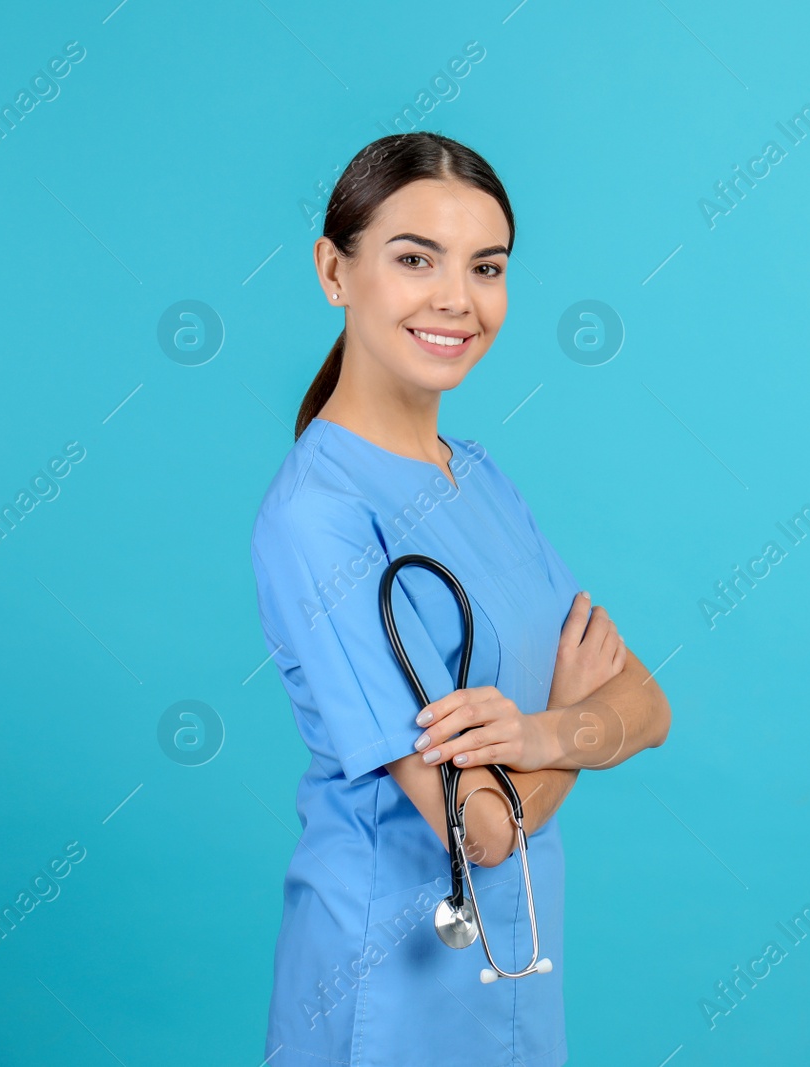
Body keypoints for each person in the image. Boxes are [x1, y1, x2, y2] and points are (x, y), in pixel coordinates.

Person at [249, 131, 671, 1066]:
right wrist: (570, 718)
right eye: (413, 259)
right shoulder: (318, 518)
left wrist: (535, 736)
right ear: (334, 270)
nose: (457, 299)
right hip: (382, 991)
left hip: (520, 972)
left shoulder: (478, 479)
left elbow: (647, 704)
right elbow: (477, 830)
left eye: (487, 266)